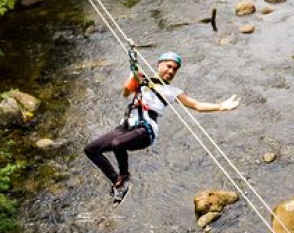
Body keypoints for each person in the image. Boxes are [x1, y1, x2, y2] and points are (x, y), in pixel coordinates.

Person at [84, 51, 240, 202]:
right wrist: (132, 78)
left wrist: (221, 106)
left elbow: (197, 105)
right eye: (168, 66)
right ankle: (117, 182)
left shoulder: (172, 91)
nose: (171, 71)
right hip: (126, 126)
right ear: (159, 65)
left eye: (175, 69)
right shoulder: (143, 80)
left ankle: (124, 177)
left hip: (146, 131)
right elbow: (126, 93)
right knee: (90, 150)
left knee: (117, 144)